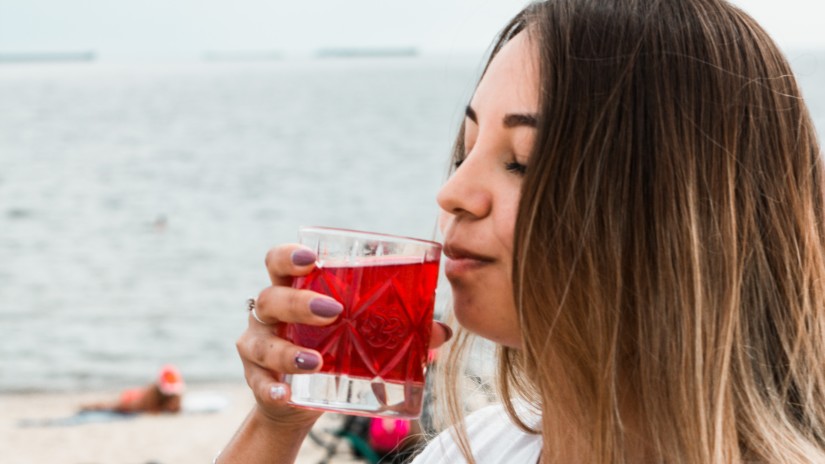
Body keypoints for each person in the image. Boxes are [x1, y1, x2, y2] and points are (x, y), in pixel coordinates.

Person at [219, 0, 825, 462]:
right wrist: (276, 424)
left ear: (675, 214)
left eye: (523, 161)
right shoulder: (475, 450)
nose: (452, 193)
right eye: (465, 151)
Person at [80, 364, 185, 414]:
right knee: (110, 406)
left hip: (138, 398)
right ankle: (86, 406)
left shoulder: (176, 396)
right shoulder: (150, 395)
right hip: (132, 397)